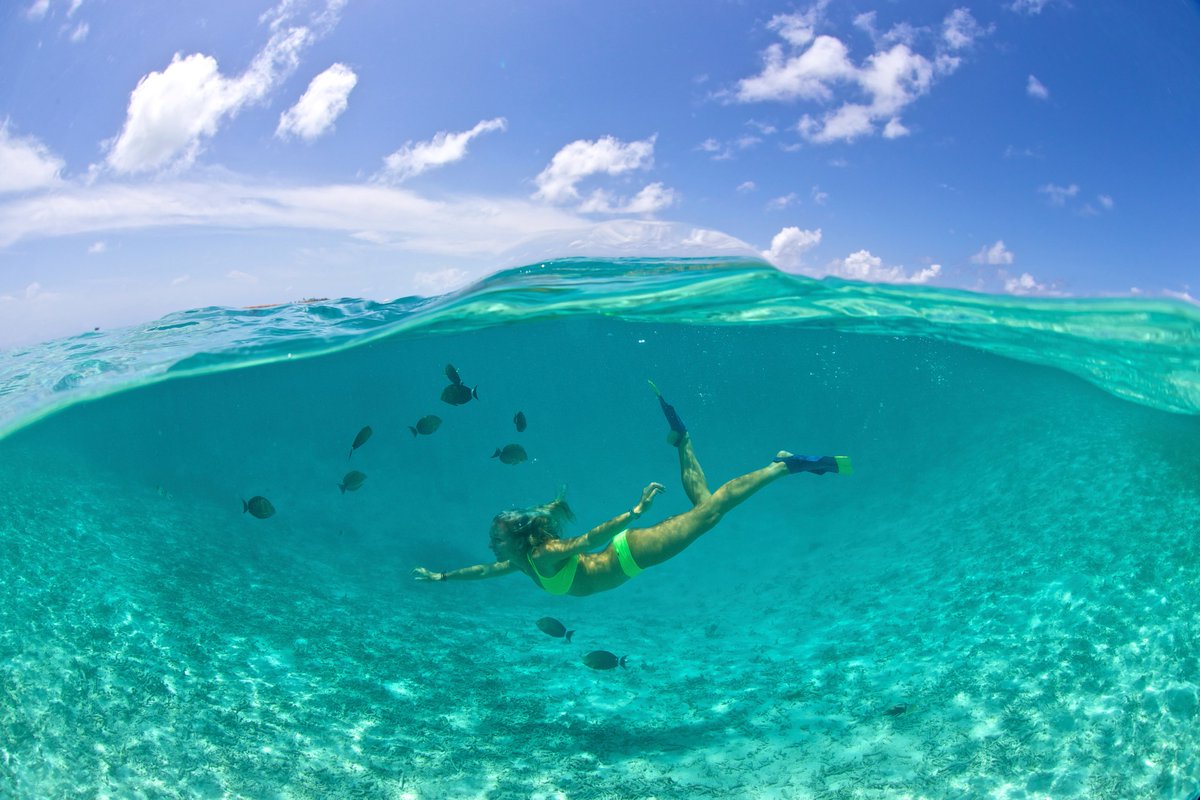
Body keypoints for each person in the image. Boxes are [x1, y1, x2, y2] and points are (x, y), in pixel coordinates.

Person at [411, 383, 851, 597]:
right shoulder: (521, 560)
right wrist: (443, 577)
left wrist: (634, 513)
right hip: (626, 554)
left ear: (517, 538)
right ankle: (683, 439)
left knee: (711, 513)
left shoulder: (543, 555)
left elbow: (588, 539)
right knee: (704, 506)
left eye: (496, 538)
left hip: (631, 552)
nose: (491, 545)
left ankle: (783, 466)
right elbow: (484, 571)